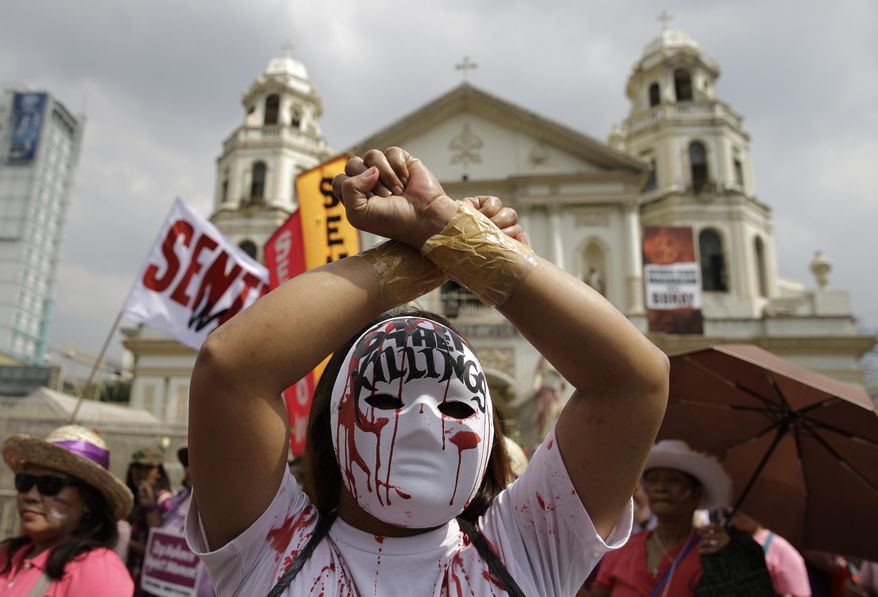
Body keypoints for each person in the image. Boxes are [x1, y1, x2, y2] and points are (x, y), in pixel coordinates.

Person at [186, 146, 670, 595]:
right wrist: (437, 244)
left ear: (488, 437)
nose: (422, 413)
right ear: (333, 423)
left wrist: (447, 229)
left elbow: (632, 382)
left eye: (456, 404)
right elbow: (230, 369)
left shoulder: (529, 546)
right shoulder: (270, 548)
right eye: (385, 397)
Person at [591, 439, 773, 596]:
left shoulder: (715, 550)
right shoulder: (623, 547)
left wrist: (731, 559)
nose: (660, 488)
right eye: (653, 480)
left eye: (674, 480)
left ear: (697, 493)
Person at [0, 425, 134, 596]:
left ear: (88, 500)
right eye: (24, 482)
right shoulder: (8, 555)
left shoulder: (96, 569)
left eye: (51, 485)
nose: (31, 495)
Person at [139, 447, 214, 597]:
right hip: (160, 587)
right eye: (188, 464)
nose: (189, 469)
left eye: (197, 463)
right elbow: (160, 535)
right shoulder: (180, 498)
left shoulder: (218, 507)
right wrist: (149, 506)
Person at [731, 511, 811, 596]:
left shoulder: (779, 547)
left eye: (744, 512)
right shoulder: (728, 542)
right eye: (736, 513)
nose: (740, 516)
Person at [124, 446, 172, 590]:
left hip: (150, 581)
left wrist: (125, 542)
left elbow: (163, 548)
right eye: (137, 467)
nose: (141, 473)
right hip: (130, 573)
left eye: (148, 468)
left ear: (158, 472)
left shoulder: (164, 500)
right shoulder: (131, 497)